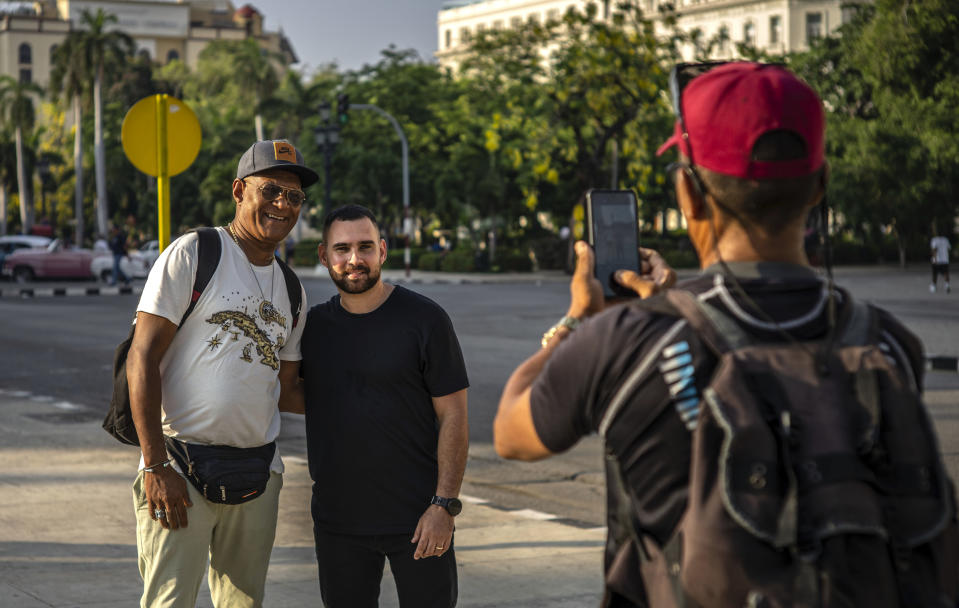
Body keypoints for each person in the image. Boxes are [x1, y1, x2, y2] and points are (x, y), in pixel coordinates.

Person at [493, 63, 953, 606]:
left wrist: (580, 321)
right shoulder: (891, 342)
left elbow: (511, 433)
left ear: (688, 192)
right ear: (820, 185)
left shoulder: (627, 340)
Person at [126, 139, 317, 607]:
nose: (282, 205)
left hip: (257, 473)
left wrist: (373, 396)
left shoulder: (292, 289)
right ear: (239, 191)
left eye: (294, 197)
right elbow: (142, 358)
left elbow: (287, 392)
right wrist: (155, 466)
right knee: (170, 601)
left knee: (243, 603)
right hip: (180, 468)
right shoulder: (196, 252)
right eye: (271, 190)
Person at [297, 204, 469, 608]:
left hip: (419, 517)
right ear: (324, 256)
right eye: (342, 249)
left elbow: (454, 415)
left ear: (383, 251)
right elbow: (293, 394)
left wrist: (444, 506)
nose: (354, 259)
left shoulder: (426, 320)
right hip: (338, 522)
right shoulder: (313, 328)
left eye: (365, 247)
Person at [930, 224, 951, 293]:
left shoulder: (934, 240)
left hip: (937, 260)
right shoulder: (945, 240)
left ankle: (933, 286)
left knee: (935, 274)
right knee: (946, 273)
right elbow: (949, 249)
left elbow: (934, 250)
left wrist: (935, 259)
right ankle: (947, 285)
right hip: (945, 260)